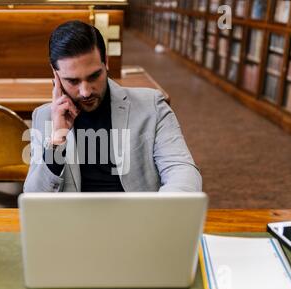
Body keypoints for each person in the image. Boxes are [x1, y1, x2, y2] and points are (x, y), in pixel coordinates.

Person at [23, 20, 202, 193]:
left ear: (106, 62)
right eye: (72, 81)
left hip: (137, 219)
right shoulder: (45, 116)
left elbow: (181, 170)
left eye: (94, 76)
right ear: (55, 75)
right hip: (74, 221)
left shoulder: (151, 105)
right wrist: (57, 139)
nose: (85, 92)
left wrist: (160, 214)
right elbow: (33, 195)